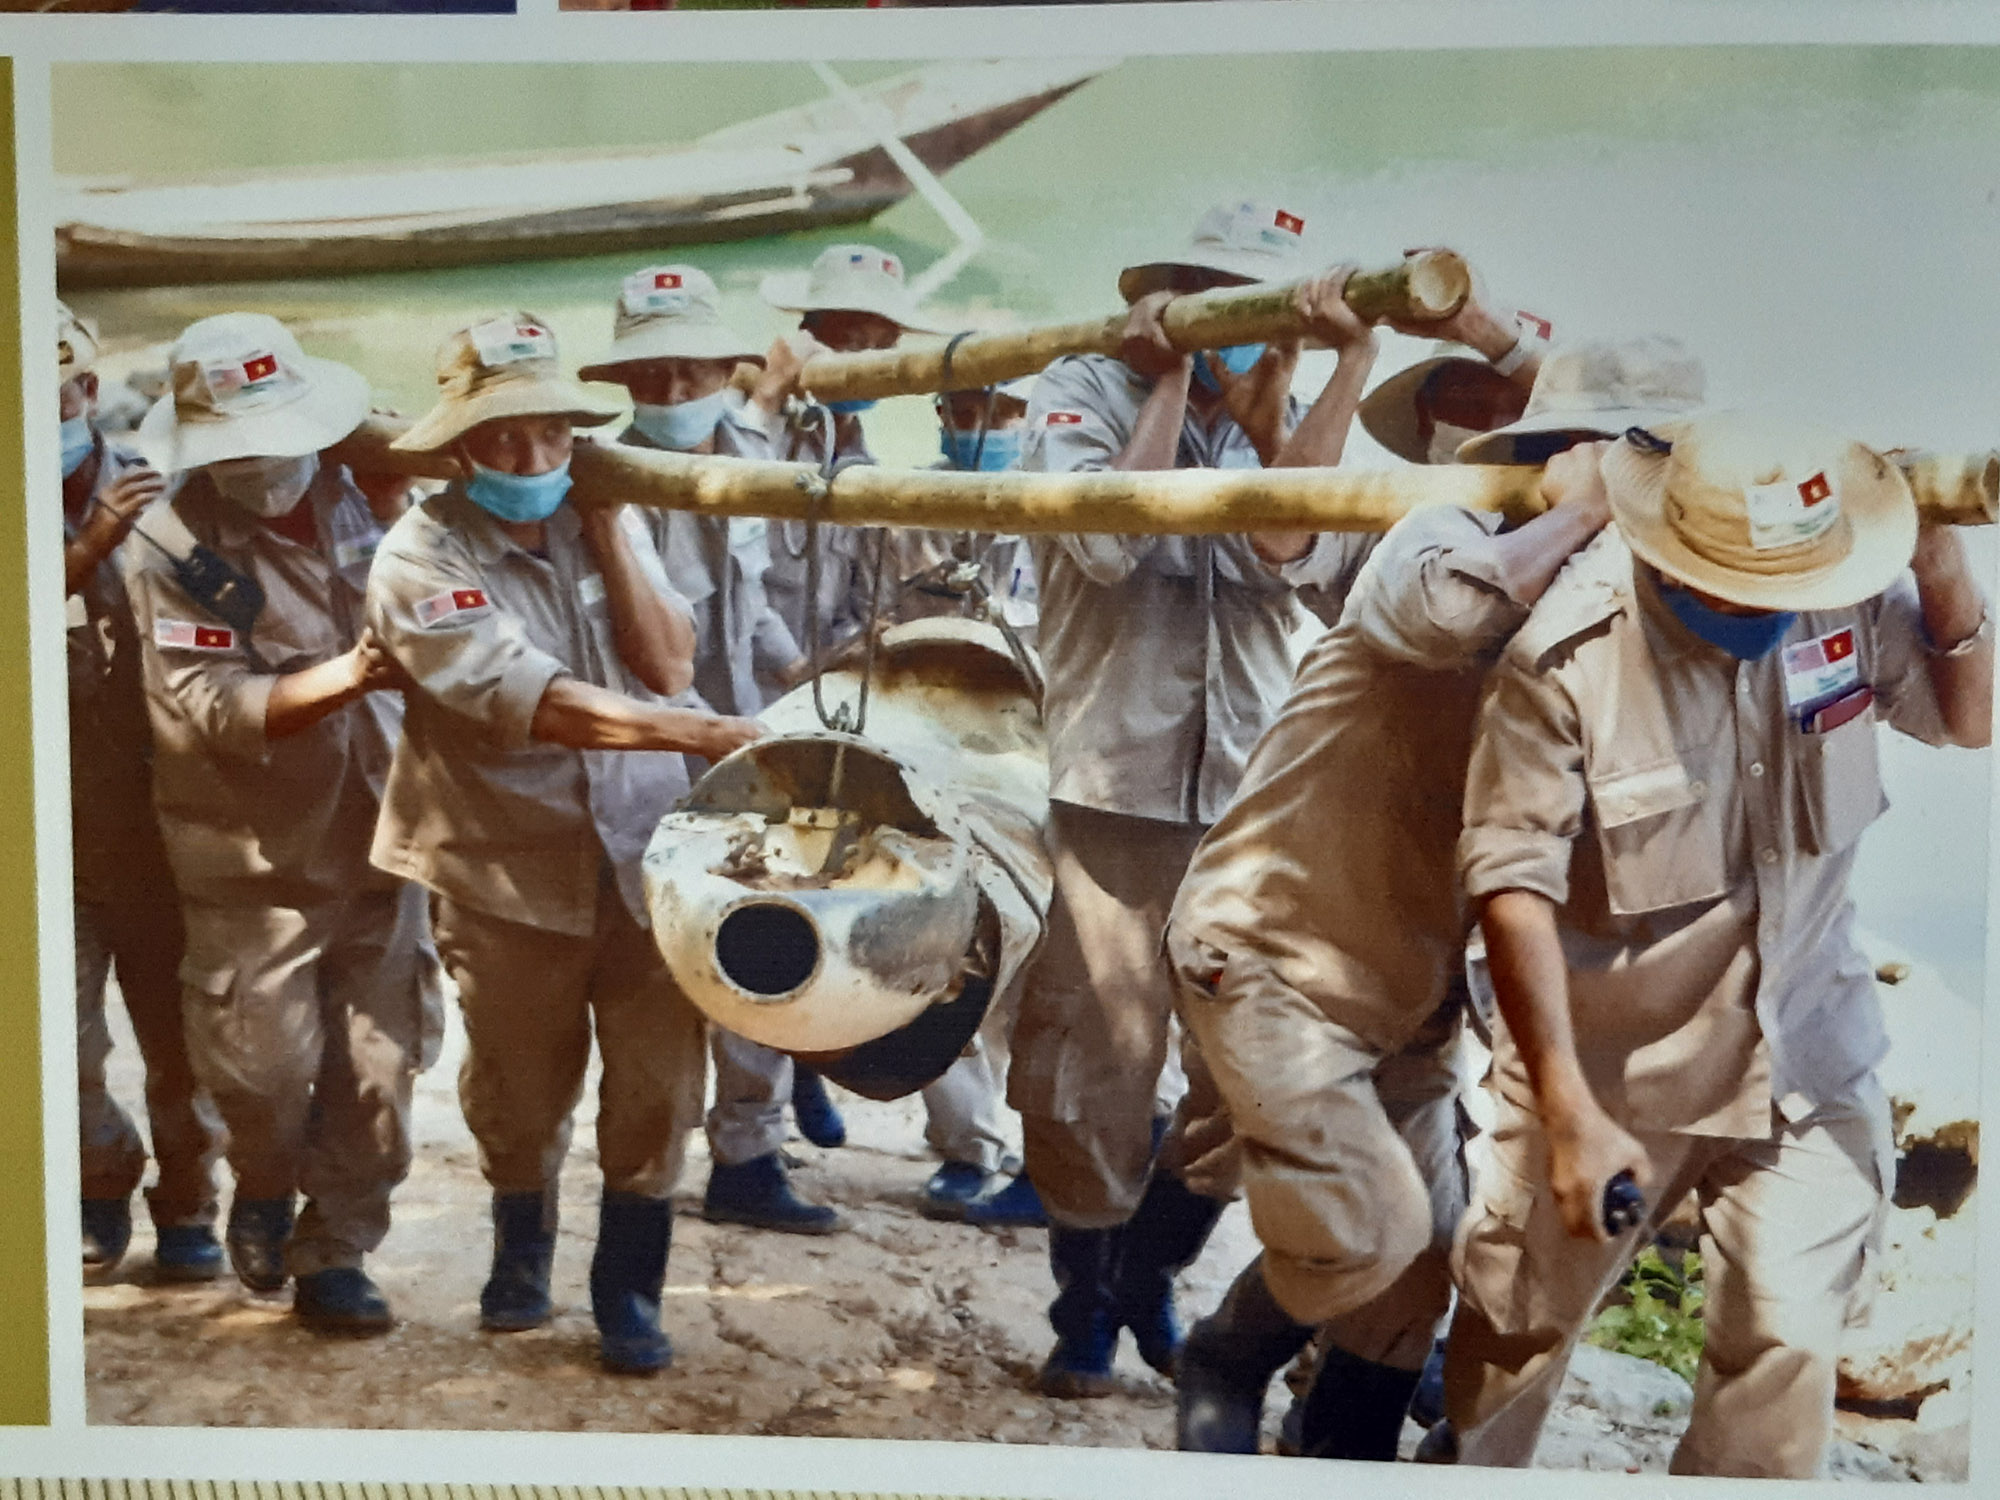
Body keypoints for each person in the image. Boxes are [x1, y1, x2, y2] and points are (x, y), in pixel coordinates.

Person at [1165, 336, 1705, 1460]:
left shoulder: (1615, 617)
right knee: (1371, 1233)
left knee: (1419, 1276)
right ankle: (1224, 1353)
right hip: (1268, 949)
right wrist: (1578, 512)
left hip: (1406, 994)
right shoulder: (1444, 530)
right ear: (1569, 461)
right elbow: (1443, 622)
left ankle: (1340, 1454)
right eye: (1628, 471)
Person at [1440, 408, 1991, 1476]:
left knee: (1780, 1363)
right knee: (1513, 1347)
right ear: (1671, 557)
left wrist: (1936, 563)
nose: (1768, 612)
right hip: (1611, 1073)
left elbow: (1973, 720)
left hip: (1808, 1053)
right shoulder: (1566, 656)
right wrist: (1563, 1116)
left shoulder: (1836, 603)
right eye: (1736, 589)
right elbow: (1507, 885)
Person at [1010, 199, 1386, 1396]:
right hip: (1112, 790)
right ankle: (1082, 1304)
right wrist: (1165, 385)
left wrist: (1348, 365)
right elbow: (1107, 545)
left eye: (1259, 308)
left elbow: (1294, 545)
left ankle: (1147, 1271)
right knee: (1092, 1067)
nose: (1239, 335)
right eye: (1218, 299)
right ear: (1168, 292)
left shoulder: (1273, 427)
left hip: (1250, 805)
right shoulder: (1079, 393)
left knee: (1246, 1076)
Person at [367, 312, 761, 1373]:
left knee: (657, 1084)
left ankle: (628, 1287)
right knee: (520, 1083)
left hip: (645, 853)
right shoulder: (421, 553)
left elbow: (669, 662)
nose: (531, 458)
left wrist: (609, 533)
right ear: (457, 446)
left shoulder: (608, 516)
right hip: (503, 864)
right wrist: (711, 737)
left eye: (548, 432)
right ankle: (520, 1247)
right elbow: (536, 702)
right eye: (501, 438)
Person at [119, 312, 441, 1330]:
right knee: (260, 1074)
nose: (264, 464)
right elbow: (214, 704)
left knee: (381, 1077)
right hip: (250, 854)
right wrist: (352, 672)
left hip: (387, 826)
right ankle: (261, 1182)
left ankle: (333, 1250)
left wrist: (404, 505)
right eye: (235, 447)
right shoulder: (170, 542)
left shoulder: (368, 487)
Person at [576, 263, 849, 1236]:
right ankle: (657, 1166)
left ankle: (749, 1149)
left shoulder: (750, 452)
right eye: (649, 379)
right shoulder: (599, 479)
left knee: (772, 933)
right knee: (669, 963)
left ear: (721, 368)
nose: (672, 394)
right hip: (653, 751)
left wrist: (801, 670)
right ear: (621, 384)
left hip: (750, 736)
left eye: (689, 373)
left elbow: (756, 602)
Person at [60, 300, 225, 1283]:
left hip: (154, 821)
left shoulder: (155, 488)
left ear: (86, 391)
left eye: (60, 395)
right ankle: (97, 1179)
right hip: (44, 831)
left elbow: (237, 605)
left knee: (178, 1036)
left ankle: (189, 1203)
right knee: (61, 1041)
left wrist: (161, 534)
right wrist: (86, 551)